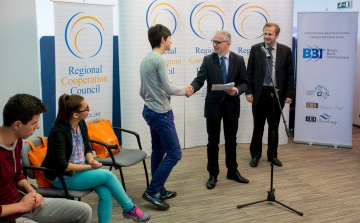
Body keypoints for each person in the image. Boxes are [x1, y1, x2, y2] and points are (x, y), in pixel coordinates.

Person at [41, 94, 150, 223]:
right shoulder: (58, 131)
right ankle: (130, 209)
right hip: (63, 177)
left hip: (79, 170)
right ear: (75, 114)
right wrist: (89, 166)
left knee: (105, 192)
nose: (89, 110)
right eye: (86, 108)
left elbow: (87, 147)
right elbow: (62, 165)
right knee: (108, 176)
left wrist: (90, 159)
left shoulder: (80, 123)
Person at [0, 93, 92, 223]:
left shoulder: (16, 141)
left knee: (84, 211)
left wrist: (31, 191)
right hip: (8, 215)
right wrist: (20, 206)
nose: (37, 127)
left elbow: (18, 175)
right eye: (34, 123)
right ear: (17, 125)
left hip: (22, 203)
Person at [139, 24, 192, 210]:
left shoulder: (146, 59)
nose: (171, 41)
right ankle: (152, 190)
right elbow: (169, 88)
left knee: (159, 151)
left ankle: (159, 189)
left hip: (150, 110)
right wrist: (185, 89)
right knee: (175, 153)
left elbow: (142, 91)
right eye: (170, 38)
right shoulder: (160, 60)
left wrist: (153, 101)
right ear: (163, 39)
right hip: (161, 113)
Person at [189, 30, 249, 190]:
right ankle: (213, 173)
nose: (214, 44)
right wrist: (191, 88)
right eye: (213, 41)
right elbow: (199, 79)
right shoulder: (208, 60)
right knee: (212, 142)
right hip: (213, 107)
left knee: (231, 141)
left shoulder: (238, 59)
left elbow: (245, 82)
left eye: (218, 42)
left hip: (231, 106)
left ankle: (232, 171)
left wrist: (236, 90)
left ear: (228, 43)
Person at [246, 22, 294, 168]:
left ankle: (272, 155)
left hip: (276, 95)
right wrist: (249, 91)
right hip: (260, 94)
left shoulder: (286, 51)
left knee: (274, 127)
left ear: (277, 35)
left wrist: (289, 94)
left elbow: (290, 75)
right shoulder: (256, 49)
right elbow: (249, 73)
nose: (266, 36)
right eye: (265, 33)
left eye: (270, 34)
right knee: (258, 127)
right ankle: (255, 155)